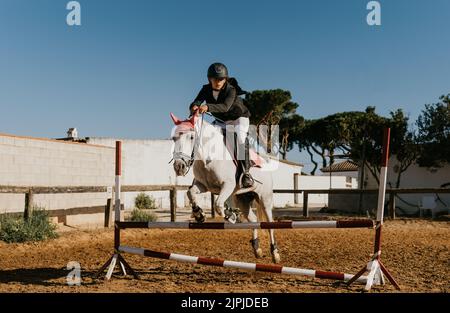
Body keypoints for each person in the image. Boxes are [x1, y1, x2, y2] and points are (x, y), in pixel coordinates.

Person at [189, 62, 254, 188]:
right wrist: (194, 107)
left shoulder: (231, 89)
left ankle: (246, 173)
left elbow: (225, 107)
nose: (218, 81)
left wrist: (207, 107)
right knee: (207, 136)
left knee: (240, 138)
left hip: (238, 119)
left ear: (225, 79)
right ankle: (201, 175)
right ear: (210, 79)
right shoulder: (205, 89)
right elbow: (195, 102)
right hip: (221, 121)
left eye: (221, 79)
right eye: (215, 79)